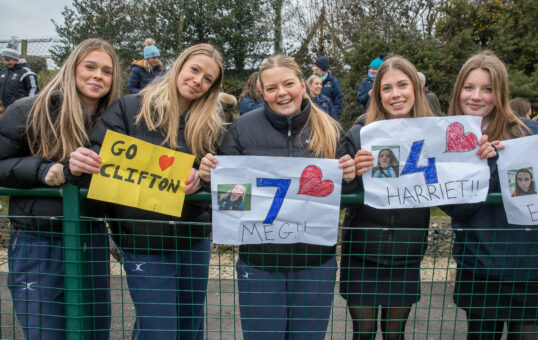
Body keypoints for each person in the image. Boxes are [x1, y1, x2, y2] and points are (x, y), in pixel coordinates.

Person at [68, 43, 224, 339]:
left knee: (190, 327)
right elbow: (101, 156)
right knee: (158, 330)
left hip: (193, 239)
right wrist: (84, 159)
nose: (198, 81)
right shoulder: (130, 107)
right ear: (179, 66)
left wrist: (202, 180)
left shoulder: (212, 125)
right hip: (144, 241)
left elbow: (224, 175)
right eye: (195, 70)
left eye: (208, 79)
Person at [338, 56, 497, 340]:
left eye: (402, 85)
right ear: (377, 95)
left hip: (406, 256)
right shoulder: (358, 134)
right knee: (362, 334)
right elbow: (338, 196)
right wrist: (350, 177)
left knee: (394, 335)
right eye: (387, 88)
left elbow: (459, 207)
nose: (396, 94)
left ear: (416, 88)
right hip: (362, 253)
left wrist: (479, 164)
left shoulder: (439, 135)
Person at [198, 54, 355, 340]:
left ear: (303, 86)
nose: (281, 93)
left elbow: (341, 200)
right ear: (262, 93)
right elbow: (229, 201)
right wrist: (213, 177)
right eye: (271, 88)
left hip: (314, 262)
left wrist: (349, 177)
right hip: (260, 262)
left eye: (288, 84)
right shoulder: (242, 128)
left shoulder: (330, 129)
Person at [444, 50, 538, 340]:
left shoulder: (535, 134)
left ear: (499, 92)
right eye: (469, 87)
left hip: (534, 270)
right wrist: (485, 168)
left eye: (487, 89)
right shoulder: (447, 140)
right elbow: (456, 209)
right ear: (458, 90)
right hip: (482, 267)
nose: (476, 96)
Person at [0, 38, 120, 340]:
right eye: (90, 67)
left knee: (92, 331)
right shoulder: (30, 110)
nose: (98, 76)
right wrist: (44, 170)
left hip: (89, 238)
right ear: (73, 67)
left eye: (107, 71)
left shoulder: (117, 123)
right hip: (36, 237)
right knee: (45, 331)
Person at [0, 44, 39, 109]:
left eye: (8, 60)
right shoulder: (3, 72)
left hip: (19, 110)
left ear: (15, 59)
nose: (6, 63)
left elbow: (33, 89)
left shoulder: (26, 72)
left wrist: (28, 105)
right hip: (3, 109)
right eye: (4, 60)